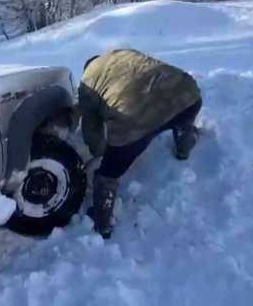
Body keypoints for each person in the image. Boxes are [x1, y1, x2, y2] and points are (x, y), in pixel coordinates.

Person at [79, 49, 202, 239]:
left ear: (87, 68)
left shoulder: (87, 82)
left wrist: (102, 151)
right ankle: (184, 147)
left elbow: (91, 126)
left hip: (134, 121)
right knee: (181, 115)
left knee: (107, 174)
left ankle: (102, 222)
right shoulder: (121, 52)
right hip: (188, 93)